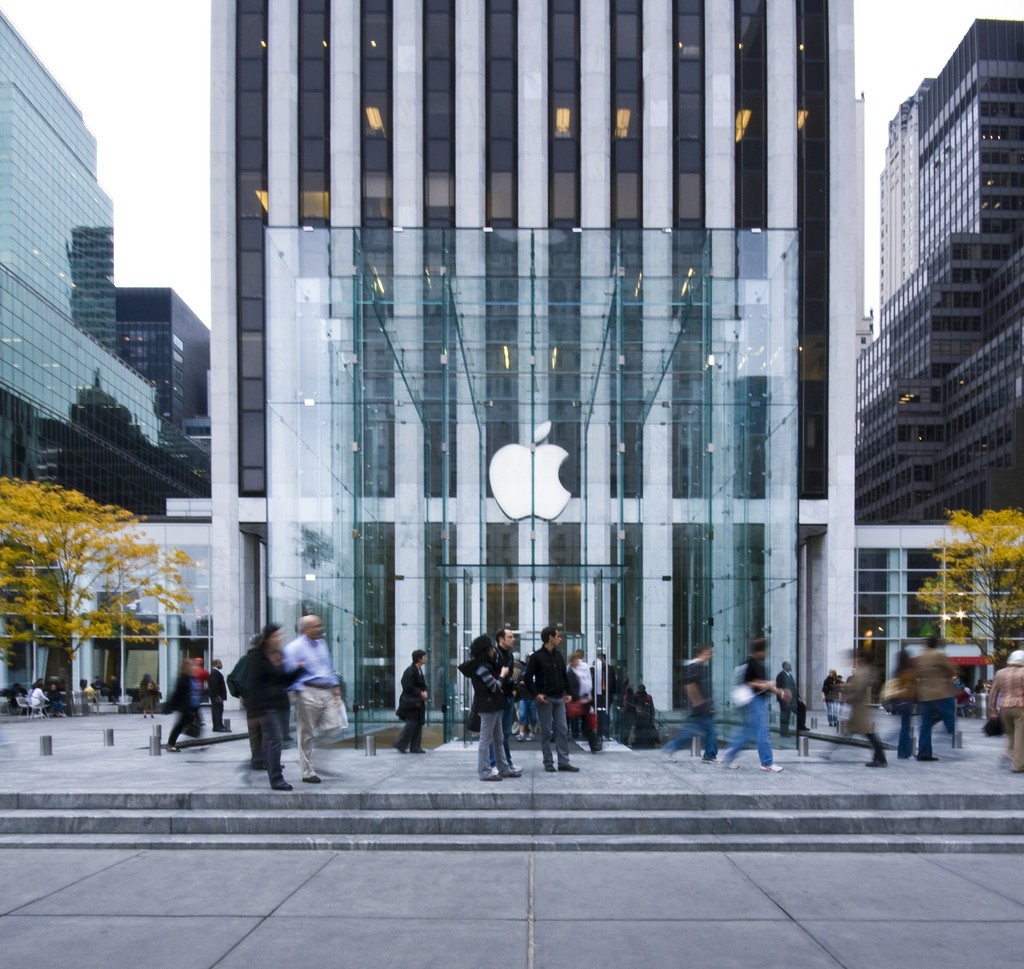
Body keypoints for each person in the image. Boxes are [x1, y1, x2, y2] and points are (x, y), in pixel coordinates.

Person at [284, 614, 342, 784]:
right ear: (305, 629)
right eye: (316, 626)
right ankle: (307, 771)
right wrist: (295, 693)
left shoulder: (322, 644)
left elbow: (327, 667)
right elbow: (287, 673)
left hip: (326, 690)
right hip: (307, 691)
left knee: (334, 725)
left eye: (320, 625)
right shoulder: (294, 647)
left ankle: (312, 752)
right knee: (306, 734)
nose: (320, 629)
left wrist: (335, 685)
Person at [247, 623, 304, 790]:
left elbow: (283, 680)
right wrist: (255, 712)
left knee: (273, 740)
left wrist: (298, 670)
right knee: (275, 740)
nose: (280, 639)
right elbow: (253, 685)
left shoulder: (277, 656)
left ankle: (271, 768)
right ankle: (276, 778)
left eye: (281, 636)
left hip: (277, 704)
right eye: (276, 636)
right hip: (265, 706)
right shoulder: (258, 657)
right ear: (269, 637)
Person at [458, 634, 521, 781]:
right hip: (488, 706)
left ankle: (503, 768)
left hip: (491, 705)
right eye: (491, 647)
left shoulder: (483, 666)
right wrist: (502, 675)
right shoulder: (482, 668)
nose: (494, 650)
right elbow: (494, 687)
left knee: (498, 738)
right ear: (485, 650)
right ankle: (485, 771)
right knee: (486, 740)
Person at [721, 637, 785, 772]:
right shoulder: (752, 663)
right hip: (755, 701)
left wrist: (777, 691)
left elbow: (760, 683)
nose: (766, 653)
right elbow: (749, 682)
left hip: (753, 701)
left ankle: (729, 755)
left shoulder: (753, 662)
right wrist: (769, 686)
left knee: (747, 732)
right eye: (765, 650)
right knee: (763, 732)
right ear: (759, 651)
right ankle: (767, 763)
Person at [521, 626, 579, 773]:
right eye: (558, 636)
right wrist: (536, 694)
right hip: (545, 699)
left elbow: (564, 676)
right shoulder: (536, 657)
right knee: (546, 731)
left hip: (559, 698)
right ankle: (548, 762)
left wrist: (570, 693)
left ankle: (563, 762)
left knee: (562, 729)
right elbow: (527, 677)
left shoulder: (559, 656)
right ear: (550, 637)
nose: (560, 639)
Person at [661, 644, 718, 763]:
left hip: (702, 707)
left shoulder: (699, 666)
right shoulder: (695, 666)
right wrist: (698, 702)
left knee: (703, 731)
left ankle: (709, 755)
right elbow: (689, 685)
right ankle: (708, 755)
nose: (710, 655)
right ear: (701, 653)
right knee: (700, 731)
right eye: (708, 653)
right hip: (700, 708)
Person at [840, 650, 887, 767]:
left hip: (860, 707)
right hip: (860, 707)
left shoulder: (862, 671)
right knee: (865, 733)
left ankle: (880, 758)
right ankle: (879, 758)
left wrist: (848, 699)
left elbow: (859, 689)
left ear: (858, 659)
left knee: (868, 733)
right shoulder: (866, 670)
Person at [913, 636, 956, 762]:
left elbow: (917, 674)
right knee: (950, 716)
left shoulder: (920, 657)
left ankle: (923, 753)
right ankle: (951, 735)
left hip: (925, 695)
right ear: (936, 644)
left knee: (925, 725)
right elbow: (950, 670)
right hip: (940, 693)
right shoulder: (939, 655)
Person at [229, 634, 265, 771]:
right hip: (264, 702)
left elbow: (231, 679)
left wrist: (239, 694)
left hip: (250, 702)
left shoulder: (244, 660)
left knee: (254, 732)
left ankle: (256, 760)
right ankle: (267, 761)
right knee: (268, 732)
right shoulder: (263, 659)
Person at [987, 649, 1024, 773]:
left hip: (1004, 708)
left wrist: (992, 710)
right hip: (1020, 708)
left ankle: (1013, 756)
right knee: (1020, 737)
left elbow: (993, 693)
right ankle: (1018, 765)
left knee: (1011, 735)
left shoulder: (1000, 673)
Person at [488, 628, 520, 772]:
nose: (513, 639)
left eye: (513, 637)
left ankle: (507, 762)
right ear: (501, 639)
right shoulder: (494, 654)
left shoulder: (510, 655)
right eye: (510, 637)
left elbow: (510, 675)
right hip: (497, 698)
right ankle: (493, 763)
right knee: (495, 733)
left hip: (508, 697)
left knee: (505, 732)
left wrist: (513, 687)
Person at [394, 649, 429, 754]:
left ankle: (415, 746)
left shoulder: (418, 670)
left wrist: (424, 692)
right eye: (424, 657)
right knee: (412, 723)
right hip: (410, 702)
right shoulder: (410, 671)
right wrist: (420, 693)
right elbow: (408, 686)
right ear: (419, 658)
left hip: (417, 701)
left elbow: (421, 685)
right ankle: (401, 744)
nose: (426, 659)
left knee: (417, 723)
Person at [566, 649, 602, 753]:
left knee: (588, 723)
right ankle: (572, 736)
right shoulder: (570, 669)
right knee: (571, 720)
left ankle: (593, 745)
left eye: (578, 659)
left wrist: (588, 695)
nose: (577, 662)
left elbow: (588, 682)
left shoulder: (582, 668)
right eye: (575, 660)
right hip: (575, 699)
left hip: (584, 699)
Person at [163, 657, 201, 751]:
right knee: (180, 725)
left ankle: (197, 741)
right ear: (186, 667)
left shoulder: (192, 678)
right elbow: (178, 693)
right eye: (191, 666)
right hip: (186, 706)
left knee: (195, 724)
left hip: (194, 706)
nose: (193, 667)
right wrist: (171, 706)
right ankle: (170, 744)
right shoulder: (183, 678)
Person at [591, 651, 618, 740]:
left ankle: (605, 733)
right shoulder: (594, 669)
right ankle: (598, 733)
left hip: (607, 694)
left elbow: (613, 682)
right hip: (597, 694)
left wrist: (613, 693)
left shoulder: (609, 669)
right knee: (598, 713)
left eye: (601, 659)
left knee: (606, 713)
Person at [775, 661, 798, 737]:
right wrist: (781, 698)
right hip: (784, 699)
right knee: (784, 715)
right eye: (788, 665)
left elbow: (793, 687)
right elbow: (778, 687)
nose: (790, 667)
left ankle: (786, 731)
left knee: (788, 715)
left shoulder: (790, 675)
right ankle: (784, 732)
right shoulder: (781, 675)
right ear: (784, 666)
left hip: (791, 698)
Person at [207, 658, 229, 732]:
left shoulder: (215, 672)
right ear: (216, 664)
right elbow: (215, 685)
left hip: (216, 696)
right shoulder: (215, 673)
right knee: (218, 710)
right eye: (220, 663)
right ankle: (218, 726)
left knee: (217, 710)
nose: (221, 665)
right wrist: (218, 696)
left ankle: (218, 726)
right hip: (217, 696)